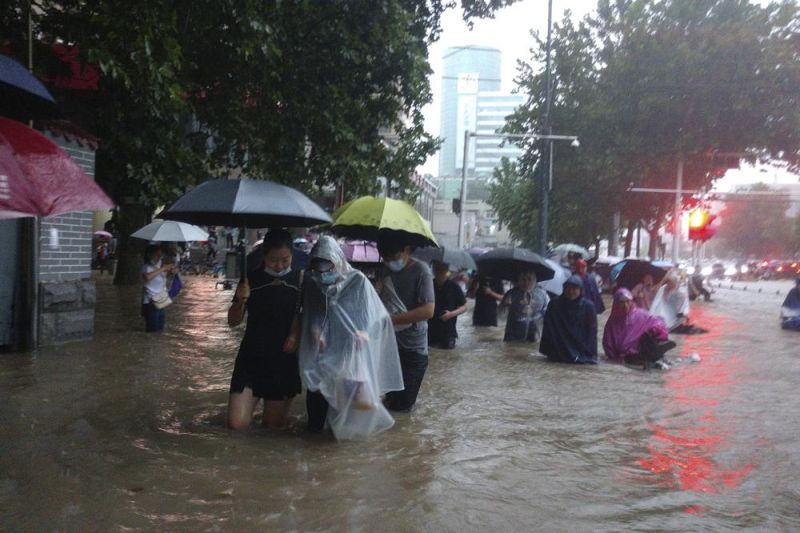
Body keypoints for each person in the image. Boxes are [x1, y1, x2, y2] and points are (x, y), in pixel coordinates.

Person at [299, 237, 404, 438]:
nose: (323, 276)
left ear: (338, 262)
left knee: (346, 410)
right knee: (315, 419)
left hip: (348, 355)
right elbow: (313, 314)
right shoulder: (313, 283)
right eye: (318, 271)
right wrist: (314, 329)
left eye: (328, 270)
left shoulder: (358, 281)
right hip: (322, 355)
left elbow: (373, 315)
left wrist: (364, 333)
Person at [226, 230, 302, 430]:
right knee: (237, 424)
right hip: (251, 357)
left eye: (285, 260)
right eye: (273, 260)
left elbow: (307, 315)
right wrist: (240, 301)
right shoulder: (250, 279)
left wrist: (295, 334)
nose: (279, 265)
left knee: (272, 428)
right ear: (264, 256)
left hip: (283, 359)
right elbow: (233, 321)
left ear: (292, 255)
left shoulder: (301, 279)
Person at [376, 234, 435, 412]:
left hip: (413, 350)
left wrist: (391, 320)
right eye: (384, 258)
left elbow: (428, 310)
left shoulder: (421, 271)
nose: (389, 261)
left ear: (406, 250)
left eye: (393, 257)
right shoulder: (385, 270)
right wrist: (376, 291)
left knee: (403, 408)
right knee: (389, 402)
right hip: (390, 347)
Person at [603, 288, 676, 367]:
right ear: (616, 304)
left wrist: (654, 330)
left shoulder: (640, 315)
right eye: (622, 303)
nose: (625, 306)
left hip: (642, 353)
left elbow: (659, 323)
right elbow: (608, 345)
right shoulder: (612, 323)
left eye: (628, 302)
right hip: (627, 360)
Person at [539, 275, 598, 364]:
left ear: (580, 290)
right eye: (568, 288)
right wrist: (548, 350)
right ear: (564, 289)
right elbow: (548, 328)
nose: (571, 292)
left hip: (580, 350)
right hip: (558, 349)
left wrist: (590, 354)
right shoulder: (555, 304)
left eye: (575, 289)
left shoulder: (588, 307)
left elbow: (591, 333)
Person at [428, 260, 468, 349]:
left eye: (441, 268)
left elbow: (464, 306)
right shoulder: (428, 285)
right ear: (433, 270)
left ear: (446, 269)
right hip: (430, 330)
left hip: (448, 331)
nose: (439, 271)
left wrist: (451, 314)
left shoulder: (454, 287)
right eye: (436, 268)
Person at [500, 270, 549, 343]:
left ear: (535, 280)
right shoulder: (511, 294)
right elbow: (501, 317)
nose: (526, 283)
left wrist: (534, 310)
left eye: (529, 279)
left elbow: (548, 313)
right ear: (518, 280)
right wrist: (505, 305)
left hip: (534, 337)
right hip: (512, 337)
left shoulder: (543, 295)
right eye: (523, 279)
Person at [141, 244, 176, 332]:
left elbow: (166, 283)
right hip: (150, 301)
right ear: (150, 255)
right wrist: (162, 269)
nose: (159, 257)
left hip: (160, 301)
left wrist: (170, 273)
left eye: (160, 255)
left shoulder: (158, 267)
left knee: (160, 329)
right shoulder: (146, 267)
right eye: (157, 255)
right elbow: (147, 277)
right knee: (153, 330)